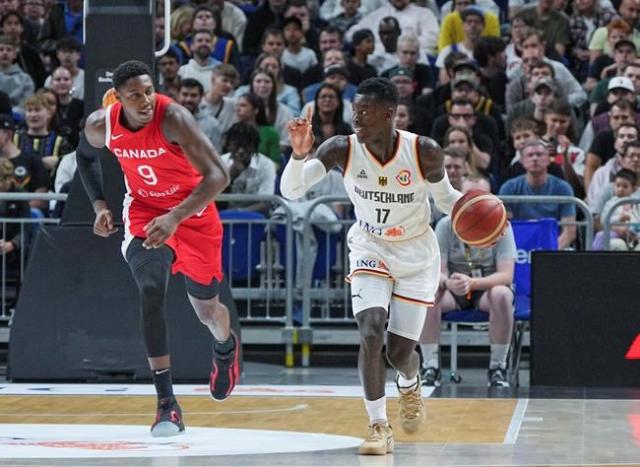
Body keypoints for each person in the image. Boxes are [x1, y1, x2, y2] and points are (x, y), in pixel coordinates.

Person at [280, 77, 463, 455]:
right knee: (370, 329)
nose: (356, 119)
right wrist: (298, 155)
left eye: (364, 113)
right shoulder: (341, 149)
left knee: (399, 353)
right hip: (370, 246)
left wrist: (481, 209)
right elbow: (292, 191)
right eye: (354, 112)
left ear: (389, 114)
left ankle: (410, 384)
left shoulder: (424, 151)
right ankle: (379, 425)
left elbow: (447, 200)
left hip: (415, 254)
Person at [75, 60, 238, 438]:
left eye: (149, 91)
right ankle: (167, 403)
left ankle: (225, 348)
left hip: (194, 214)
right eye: (135, 94)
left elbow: (219, 176)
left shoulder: (173, 117)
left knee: (208, 312)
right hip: (145, 213)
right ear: (118, 97)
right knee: (151, 290)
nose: (145, 99)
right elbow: (84, 157)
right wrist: (100, 205)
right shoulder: (103, 125)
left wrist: (176, 217)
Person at [419, 174, 515, 388]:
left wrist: (473, 284)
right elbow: (436, 271)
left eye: (482, 195)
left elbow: (506, 275)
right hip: (454, 290)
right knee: (428, 292)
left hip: (485, 290)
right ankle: (430, 366)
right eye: (470, 195)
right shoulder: (446, 225)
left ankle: (498, 367)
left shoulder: (503, 227)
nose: (476, 200)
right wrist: (446, 282)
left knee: (503, 294)